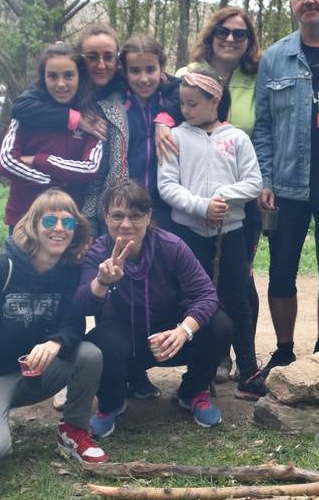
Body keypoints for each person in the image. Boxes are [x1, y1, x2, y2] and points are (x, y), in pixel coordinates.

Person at [0, 188, 107, 465]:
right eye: (50, 221)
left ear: (75, 230)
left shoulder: (69, 272)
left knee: (89, 354)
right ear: (33, 225)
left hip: (36, 375)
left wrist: (56, 342)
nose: (59, 229)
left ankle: (73, 430)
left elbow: (73, 322)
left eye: (67, 223)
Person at [76, 179, 233, 433]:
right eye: (117, 216)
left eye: (135, 216)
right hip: (127, 341)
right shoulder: (98, 253)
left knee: (220, 325)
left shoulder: (171, 246)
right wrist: (102, 282)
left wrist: (184, 331)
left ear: (148, 216)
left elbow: (206, 295)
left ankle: (193, 392)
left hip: (172, 336)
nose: (125, 224)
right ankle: (111, 403)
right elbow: (81, 304)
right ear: (105, 217)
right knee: (97, 342)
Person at [252, 0, 319, 371]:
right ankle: (284, 349)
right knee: (281, 271)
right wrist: (266, 179)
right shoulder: (275, 57)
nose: (308, 0)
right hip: (287, 184)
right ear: (292, 3)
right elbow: (262, 126)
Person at [158, 68, 266, 398]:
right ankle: (202, 374)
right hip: (188, 235)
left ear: (214, 101)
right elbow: (167, 185)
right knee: (197, 302)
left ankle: (248, 371)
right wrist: (201, 206)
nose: (185, 110)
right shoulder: (175, 137)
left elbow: (254, 182)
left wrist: (224, 197)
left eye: (192, 104)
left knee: (237, 301)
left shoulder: (237, 139)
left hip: (230, 234)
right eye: (182, 104)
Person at [183, 8, 264, 380]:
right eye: (223, 31)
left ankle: (245, 363)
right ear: (211, 33)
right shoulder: (187, 75)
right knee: (199, 281)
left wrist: (232, 194)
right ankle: (214, 358)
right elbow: (171, 117)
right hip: (192, 206)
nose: (230, 39)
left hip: (241, 201)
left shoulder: (258, 76)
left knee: (240, 280)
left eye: (240, 34)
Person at [0, 42, 105, 229]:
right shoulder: (27, 113)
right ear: (43, 78)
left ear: (80, 76)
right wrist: (56, 183)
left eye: (69, 76)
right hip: (25, 217)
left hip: (68, 222)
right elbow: (6, 162)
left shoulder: (90, 117)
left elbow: (89, 168)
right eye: (52, 76)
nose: (61, 84)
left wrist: (40, 160)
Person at [119, 34, 180, 231]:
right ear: (125, 72)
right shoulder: (117, 106)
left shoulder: (174, 102)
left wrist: (165, 118)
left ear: (162, 69)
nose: (143, 79)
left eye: (150, 70)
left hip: (165, 207)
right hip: (125, 207)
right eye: (135, 71)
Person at [77, 24, 132, 223]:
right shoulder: (66, 88)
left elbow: (172, 87)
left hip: (107, 206)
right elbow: (24, 106)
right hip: (60, 199)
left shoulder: (126, 86)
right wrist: (72, 118)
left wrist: (164, 120)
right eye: (92, 57)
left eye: (108, 57)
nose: (101, 65)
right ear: (81, 59)